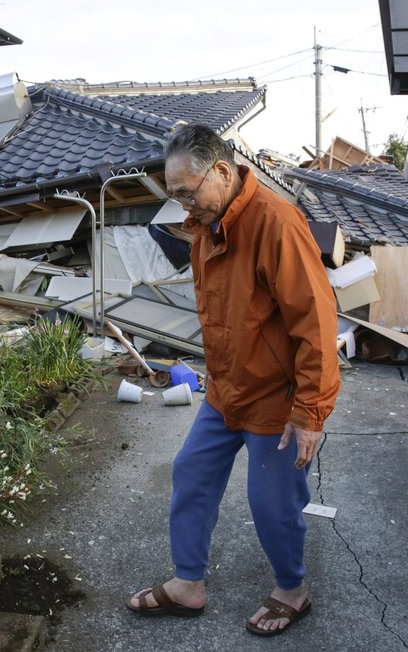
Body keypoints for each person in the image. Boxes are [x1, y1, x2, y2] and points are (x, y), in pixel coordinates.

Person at [126, 123, 341, 637]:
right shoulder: (207, 224)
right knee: (192, 474)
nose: (182, 206)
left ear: (221, 172)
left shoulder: (276, 224)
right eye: (174, 195)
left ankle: (293, 588)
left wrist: (310, 412)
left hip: (275, 399)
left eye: (186, 192)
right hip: (225, 391)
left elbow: (316, 322)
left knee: (270, 502)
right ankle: (187, 584)